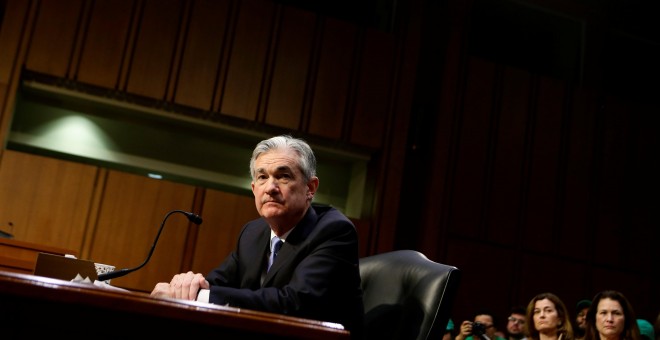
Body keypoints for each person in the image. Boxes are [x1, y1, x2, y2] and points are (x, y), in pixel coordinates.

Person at [150, 135, 364, 337]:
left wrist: (198, 296)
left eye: (283, 176)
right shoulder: (252, 233)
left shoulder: (333, 230)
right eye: (262, 177)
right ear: (254, 189)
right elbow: (217, 283)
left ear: (310, 188)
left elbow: (296, 303)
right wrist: (187, 286)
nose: (270, 187)